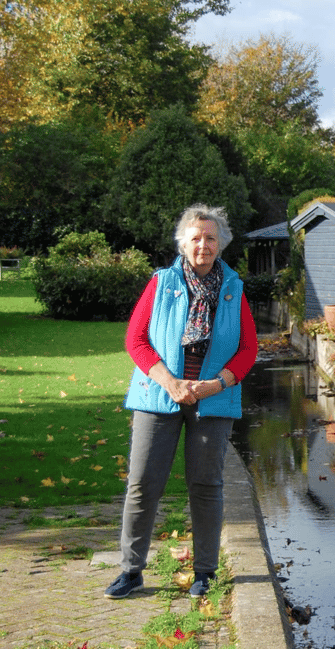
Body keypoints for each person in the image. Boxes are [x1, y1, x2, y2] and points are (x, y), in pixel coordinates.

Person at [105, 204, 258, 599]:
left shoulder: (233, 288)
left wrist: (216, 384)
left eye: (210, 238)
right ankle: (130, 571)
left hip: (212, 401)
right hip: (158, 394)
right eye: (196, 238)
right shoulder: (161, 282)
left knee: (207, 486)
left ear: (220, 243)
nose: (203, 245)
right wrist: (171, 382)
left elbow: (247, 350)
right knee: (143, 484)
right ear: (183, 243)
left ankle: (204, 572)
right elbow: (135, 341)